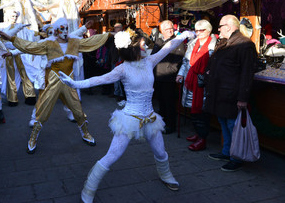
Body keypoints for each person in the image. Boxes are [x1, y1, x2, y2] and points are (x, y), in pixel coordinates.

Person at [59, 28, 195, 202]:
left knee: (161, 152)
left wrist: (182, 36)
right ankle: (88, 188)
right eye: (142, 43)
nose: (145, 45)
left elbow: (167, 47)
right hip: (130, 118)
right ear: (132, 48)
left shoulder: (149, 61)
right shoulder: (122, 69)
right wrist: (74, 83)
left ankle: (166, 175)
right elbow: (98, 79)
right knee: (112, 155)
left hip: (150, 118)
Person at [0, 18, 109, 154]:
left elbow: (90, 41)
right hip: (53, 80)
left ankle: (86, 133)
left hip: (69, 81)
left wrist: (111, 34)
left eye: (67, 29)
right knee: (43, 110)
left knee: (78, 110)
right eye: (62, 29)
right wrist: (10, 38)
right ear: (55, 31)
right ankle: (32, 138)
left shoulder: (74, 42)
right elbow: (30, 47)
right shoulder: (48, 43)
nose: (65, 32)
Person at [205, 15, 257, 172]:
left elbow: (247, 74)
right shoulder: (225, 42)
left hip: (232, 94)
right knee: (223, 123)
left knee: (232, 126)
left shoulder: (245, 44)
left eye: (220, 26)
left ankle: (236, 157)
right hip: (220, 93)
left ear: (228, 26)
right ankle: (227, 152)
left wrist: (243, 98)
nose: (218, 29)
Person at [176, 20, 217, 151]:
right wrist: (181, 74)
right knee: (193, 111)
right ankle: (198, 134)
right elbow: (185, 62)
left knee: (202, 112)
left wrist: (207, 75)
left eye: (201, 30)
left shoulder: (215, 46)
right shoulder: (193, 43)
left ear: (208, 30)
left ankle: (202, 138)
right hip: (190, 81)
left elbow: (215, 67)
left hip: (203, 84)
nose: (198, 33)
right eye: (196, 30)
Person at [151, 20, 186, 134]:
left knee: (169, 103)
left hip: (168, 78)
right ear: (161, 31)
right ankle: (162, 123)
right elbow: (153, 57)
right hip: (157, 77)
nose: (170, 30)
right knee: (161, 101)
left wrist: (169, 71)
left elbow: (178, 61)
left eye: (171, 28)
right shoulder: (159, 41)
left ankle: (171, 125)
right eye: (167, 29)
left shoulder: (177, 42)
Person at [0, 11, 37, 107]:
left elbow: (30, 32)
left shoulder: (21, 26)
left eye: (16, 16)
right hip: (8, 53)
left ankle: (30, 96)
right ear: (8, 16)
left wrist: (40, 32)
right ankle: (12, 99)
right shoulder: (4, 26)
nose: (14, 17)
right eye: (12, 15)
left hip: (19, 51)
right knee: (10, 74)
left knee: (24, 72)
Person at [108, 23, 125, 101]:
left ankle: (121, 94)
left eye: (117, 27)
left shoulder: (124, 35)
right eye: (114, 27)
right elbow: (107, 44)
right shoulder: (112, 37)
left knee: (120, 77)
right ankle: (116, 92)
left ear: (121, 28)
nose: (115, 29)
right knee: (114, 76)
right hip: (114, 58)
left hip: (120, 58)